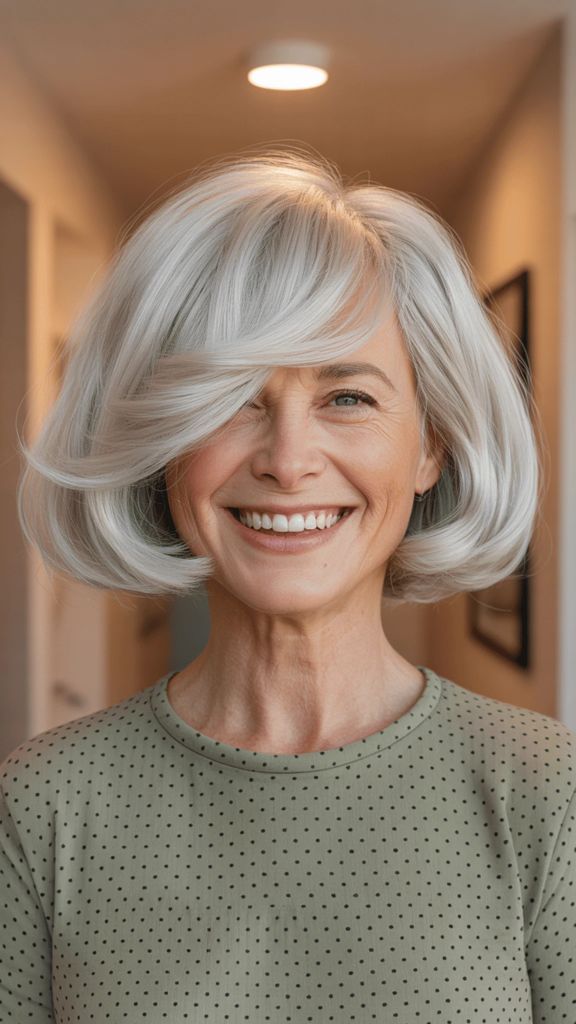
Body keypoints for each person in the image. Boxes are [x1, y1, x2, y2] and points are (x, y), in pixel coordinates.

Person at [3, 146, 574, 1023]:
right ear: (164, 450)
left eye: (346, 396)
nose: (288, 461)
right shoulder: (37, 808)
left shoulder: (548, 794)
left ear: (431, 447)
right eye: (232, 398)